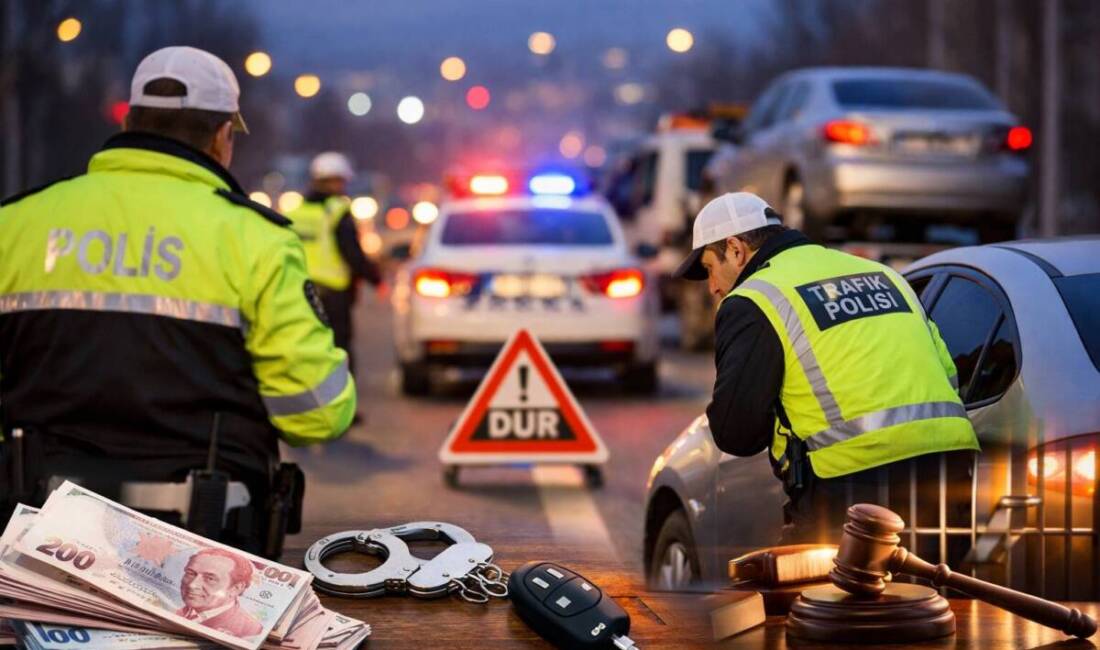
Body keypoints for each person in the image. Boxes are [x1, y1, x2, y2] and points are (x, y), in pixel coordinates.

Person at [0, 46, 355, 556]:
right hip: (206, 547)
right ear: (221, 136)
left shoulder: (17, 223)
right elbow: (317, 415)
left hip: (32, 541)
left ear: (130, 121)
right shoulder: (256, 239)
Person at [673, 192, 980, 543]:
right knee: (935, 594)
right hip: (951, 469)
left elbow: (735, 432)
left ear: (736, 249)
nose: (713, 288)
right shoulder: (884, 274)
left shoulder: (754, 299)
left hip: (853, 482)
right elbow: (948, 372)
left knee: (819, 593)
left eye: (711, 268)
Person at [285, 153, 380, 389]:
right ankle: (341, 403)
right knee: (339, 349)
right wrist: (375, 278)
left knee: (307, 348)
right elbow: (352, 253)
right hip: (333, 293)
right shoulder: (337, 211)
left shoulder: (296, 212)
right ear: (338, 181)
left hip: (301, 291)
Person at [177, 548, 264, 638]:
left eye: (210, 578)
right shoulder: (180, 611)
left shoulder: (251, 631)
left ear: (236, 588)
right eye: (190, 573)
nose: (192, 585)